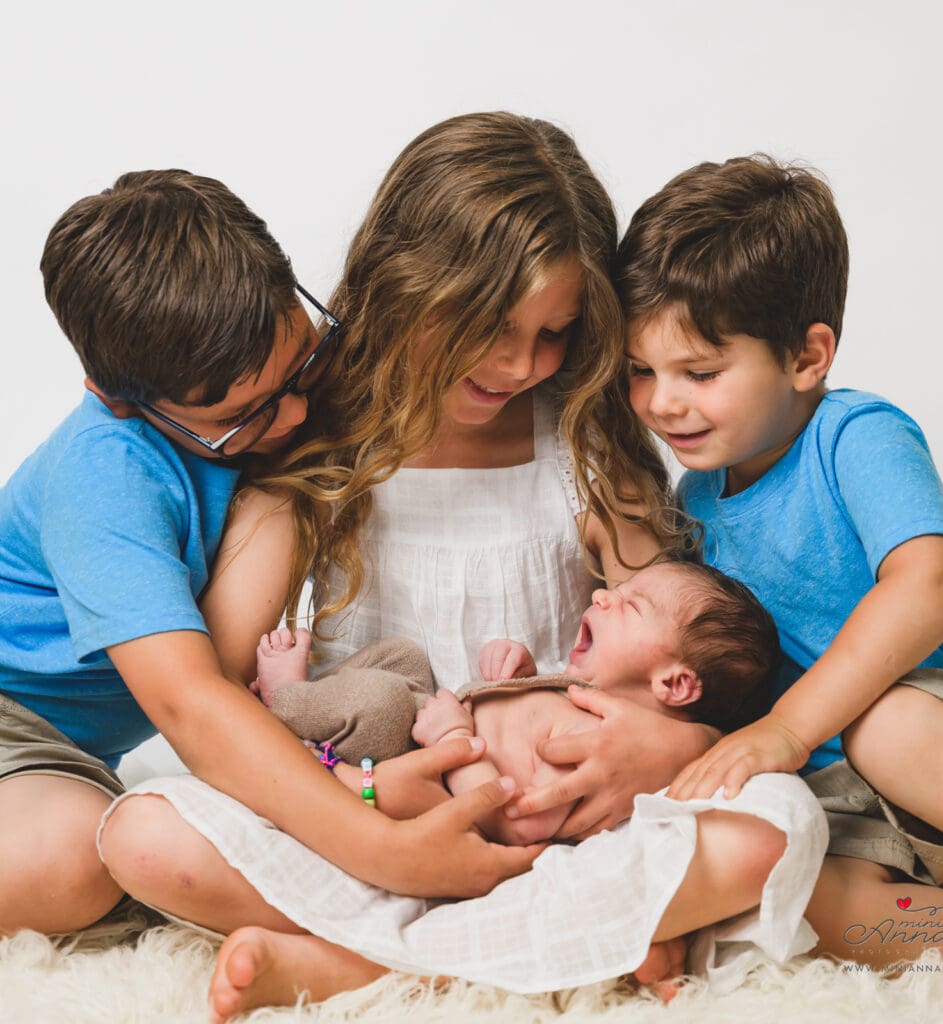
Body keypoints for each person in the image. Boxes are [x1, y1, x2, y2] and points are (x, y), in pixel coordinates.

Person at [97, 116, 820, 1022]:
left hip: (555, 827)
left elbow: (680, 632)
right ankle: (548, 941)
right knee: (145, 833)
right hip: (371, 811)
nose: (521, 365)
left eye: (553, 332)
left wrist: (677, 745)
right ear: (406, 287)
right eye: (487, 327)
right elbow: (224, 694)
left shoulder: (583, 448)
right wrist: (362, 808)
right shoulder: (318, 461)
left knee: (775, 828)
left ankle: (364, 963)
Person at [0, 169, 539, 937]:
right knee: (68, 857)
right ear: (117, 395)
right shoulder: (104, 476)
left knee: (115, 833)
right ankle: (393, 930)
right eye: (240, 416)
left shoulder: (284, 397)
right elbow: (192, 701)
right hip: (14, 724)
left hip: (74, 755)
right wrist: (382, 848)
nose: (292, 414)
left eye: (300, 370)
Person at [613, 153, 943, 962]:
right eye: (640, 371)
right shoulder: (697, 500)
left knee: (889, 726)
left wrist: (791, 729)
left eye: (699, 371)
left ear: (807, 357)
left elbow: (930, 585)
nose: (663, 401)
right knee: (792, 892)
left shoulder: (855, 436)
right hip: (852, 798)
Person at [254, 559, 781, 844]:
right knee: (402, 657)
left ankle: (286, 703)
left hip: (412, 767)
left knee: (384, 697)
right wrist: (520, 674)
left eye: (631, 604)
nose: (603, 595)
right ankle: (313, 708)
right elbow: (523, 720)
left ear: (673, 684)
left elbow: (515, 821)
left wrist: (454, 739)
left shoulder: (597, 747)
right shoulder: (589, 697)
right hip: (427, 717)